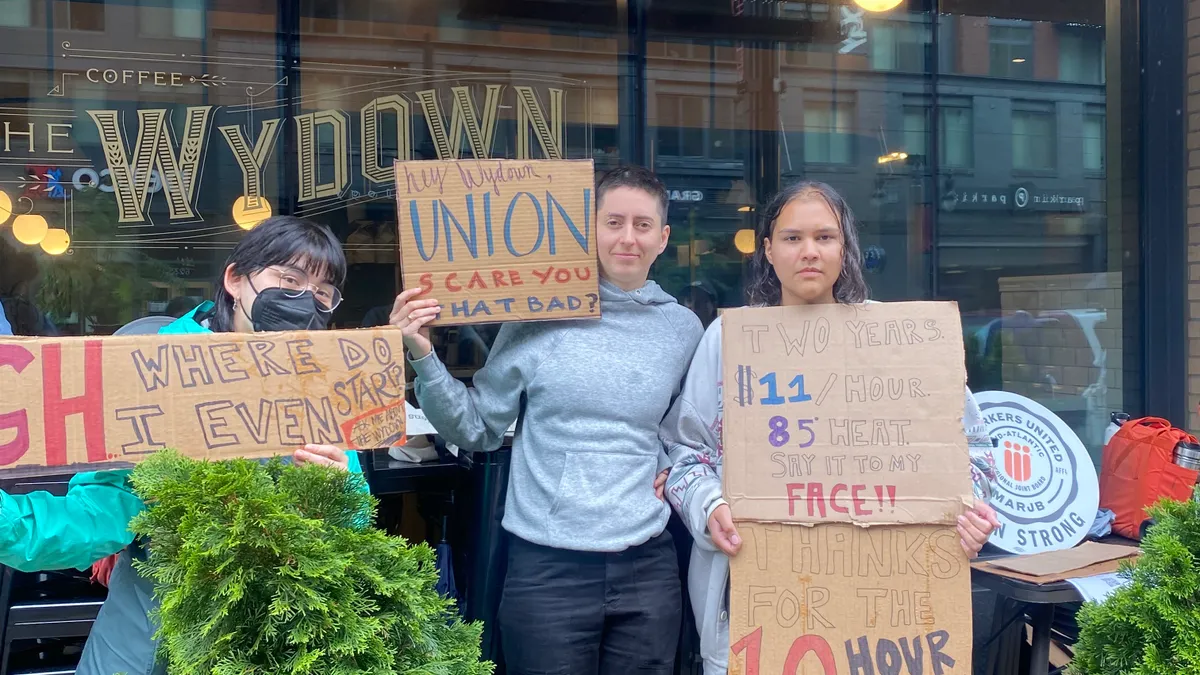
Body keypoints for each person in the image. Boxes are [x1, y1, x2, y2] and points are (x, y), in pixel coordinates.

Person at [658, 181, 1002, 675]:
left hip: (883, 618)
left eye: (825, 237)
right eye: (793, 238)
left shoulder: (901, 341)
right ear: (769, 250)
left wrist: (970, 515)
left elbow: (973, 451)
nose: (809, 252)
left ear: (846, 249)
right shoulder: (727, 341)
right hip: (754, 605)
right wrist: (707, 507)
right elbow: (685, 451)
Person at [0, 215, 366, 675]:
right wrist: (9, 523)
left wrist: (335, 497)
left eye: (322, 293)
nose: (304, 302)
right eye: (289, 280)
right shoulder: (149, 370)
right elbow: (100, 513)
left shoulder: (322, 388)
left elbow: (355, 526)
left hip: (264, 649)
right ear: (236, 279)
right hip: (141, 647)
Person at [389, 165, 704, 675]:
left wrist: (674, 461)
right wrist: (423, 355)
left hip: (648, 562)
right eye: (614, 221)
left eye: (643, 225)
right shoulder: (536, 316)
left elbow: (690, 430)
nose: (628, 237)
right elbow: (477, 428)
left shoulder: (683, 329)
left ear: (663, 237)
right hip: (548, 566)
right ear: (588, 228)